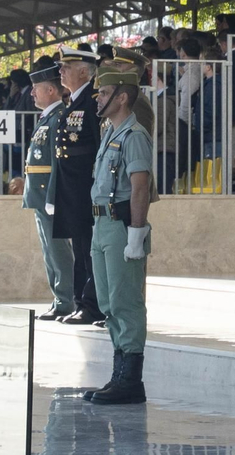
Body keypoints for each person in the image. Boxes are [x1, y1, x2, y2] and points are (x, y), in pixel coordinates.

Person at [86, 66, 154, 405]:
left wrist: (137, 233)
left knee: (125, 301)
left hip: (121, 224)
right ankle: (119, 372)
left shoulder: (134, 135)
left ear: (121, 97)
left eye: (103, 93)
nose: (98, 98)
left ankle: (130, 378)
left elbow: (140, 186)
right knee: (108, 302)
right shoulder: (109, 132)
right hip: (101, 225)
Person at [51, 45, 105, 325]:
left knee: (88, 247)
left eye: (66, 67)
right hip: (71, 186)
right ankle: (79, 301)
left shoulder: (93, 101)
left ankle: (91, 305)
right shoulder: (73, 102)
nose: (60, 71)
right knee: (79, 247)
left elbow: (99, 146)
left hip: (86, 186)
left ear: (84, 71)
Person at [23, 56, 77, 322]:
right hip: (39, 194)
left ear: (52, 90)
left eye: (37, 87)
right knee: (49, 251)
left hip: (48, 195)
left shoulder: (58, 118)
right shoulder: (47, 118)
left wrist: (54, 195)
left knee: (58, 251)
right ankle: (59, 298)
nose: (32, 92)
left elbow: (58, 161)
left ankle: (66, 299)